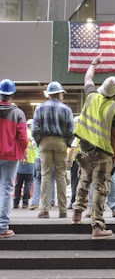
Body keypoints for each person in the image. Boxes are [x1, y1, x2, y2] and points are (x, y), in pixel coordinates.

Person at [72, 54, 115, 240]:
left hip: (85, 149)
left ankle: (77, 214)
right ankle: (97, 226)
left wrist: (93, 63)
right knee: (100, 188)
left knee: (84, 181)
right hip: (103, 153)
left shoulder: (91, 95)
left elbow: (87, 78)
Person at [32, 81, 74, 219]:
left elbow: (35, 129)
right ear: (59, 93)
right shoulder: (66, 109)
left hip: (45, 141)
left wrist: (40, 141)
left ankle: (44, 209)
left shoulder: (39, 108)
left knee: (45, 175)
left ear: (49, 94)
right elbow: (70, 130)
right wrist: (66, 143)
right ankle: (63, 210)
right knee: (61, 175)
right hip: (60, 142)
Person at [0, 79, 28, 238]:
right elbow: (23, 138)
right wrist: (20, 151)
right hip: (10, 156)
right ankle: (2, 227)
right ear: (12, 94)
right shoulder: (18, 113)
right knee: (6, 189)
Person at [13, 119, 37, 209]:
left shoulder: (21, 133)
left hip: (20, 161)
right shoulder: (33, 135)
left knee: (18, 183)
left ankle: (16, 202)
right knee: (28, 183)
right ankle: (25, 203)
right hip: (30, 161)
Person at [28, 146, 56, 210]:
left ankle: (35, 202)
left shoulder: (37, 136)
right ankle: (50, 201)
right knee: (50, 179)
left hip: (39, 157)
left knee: (37, 179)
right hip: (51, 158)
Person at [67, 116, 80, 209]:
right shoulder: (85, 133)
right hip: (85, 161)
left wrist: (69, 160)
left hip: (76, 161)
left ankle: (73, 200)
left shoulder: (75, 133)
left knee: (74, 181)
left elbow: (72, 148)